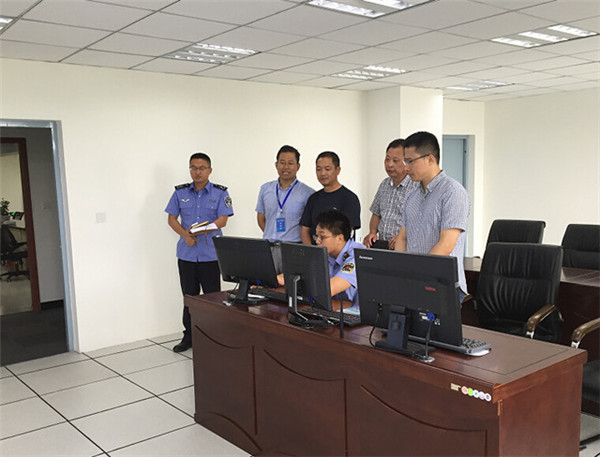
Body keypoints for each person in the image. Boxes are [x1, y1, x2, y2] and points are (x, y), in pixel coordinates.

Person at [165, 152, 234, 352]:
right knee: (189, 297)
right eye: (193, 168)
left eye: (202, 168)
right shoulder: (180, 193)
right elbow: (171, 219)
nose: (197, 172)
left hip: (210, 255)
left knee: (213, 299)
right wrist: (185, 236)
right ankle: (189, 336)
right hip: (186, 254)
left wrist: (201, 230)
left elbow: (222, 220)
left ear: (209, 170)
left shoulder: (220, 193)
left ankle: (213, 336)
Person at [394, 131, 470, 301]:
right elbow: (402, 239)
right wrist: (401, 273)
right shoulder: (411, 195)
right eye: (405, 161)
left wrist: (420, 275)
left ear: (430, 159)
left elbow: (446, 244)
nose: (406, 168)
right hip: (414, 283)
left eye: (410, 161)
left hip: (442, 285)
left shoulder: (453, 192)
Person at [279, 209, 364, 306]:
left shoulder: (357, 255)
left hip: (354, 311)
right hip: (331, 306)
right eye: (316, 236)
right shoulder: (326, 253)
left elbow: (329, 289)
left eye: (322, 237)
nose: (317, 241)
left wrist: (295, 283)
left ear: (339, 238)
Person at [255, 145, 315, 272]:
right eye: (282, 163)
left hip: (294, 250)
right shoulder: (265, 189)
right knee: (267, 283)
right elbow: (261, 219)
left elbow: (309, 226)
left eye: (290, 163)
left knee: (292, 284)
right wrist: (274, 237)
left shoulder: (308, 193)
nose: (286, 167)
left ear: (298, 166)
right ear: (276, 165)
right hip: (268, 249)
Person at [363, 138, 418, 250]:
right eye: (387, 159)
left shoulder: (415, 187)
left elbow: (419, 221)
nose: (389, 164)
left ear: (406, 162)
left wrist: (403, 237)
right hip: (382, 245)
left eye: (395, 160)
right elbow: (376, 213)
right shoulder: (384, 184)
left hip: (404, 246)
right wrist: (372, 232)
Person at [300, 151, 361, 245]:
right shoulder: (313, 198)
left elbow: (347, 233)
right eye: (319, 169)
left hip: (340, 253)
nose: (322, 173)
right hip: (315, 252)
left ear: (338, 170)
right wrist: (311, 251)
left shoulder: (349, 198)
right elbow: (305, 229)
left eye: (327, 169)